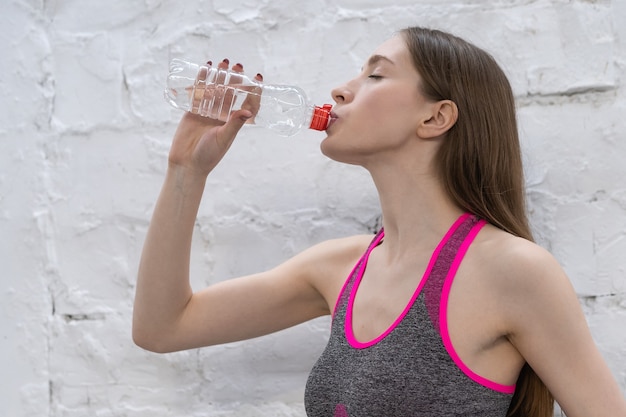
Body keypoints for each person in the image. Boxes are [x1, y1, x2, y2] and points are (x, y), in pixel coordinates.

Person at [132, 26, 626, 417]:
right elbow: (162, 328)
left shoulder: (514, 271)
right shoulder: (338, 266)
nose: (340, 91)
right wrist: (186, 170)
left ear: (436, 118)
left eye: (375, 75)